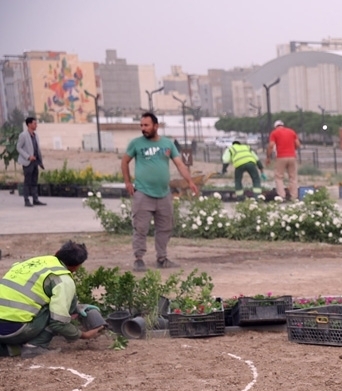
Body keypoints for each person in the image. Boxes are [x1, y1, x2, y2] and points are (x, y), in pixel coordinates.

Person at [0, 241, 106, 358]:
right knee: (56, 314)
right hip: (16, 330)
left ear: (57, 253)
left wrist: (76, 307)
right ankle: (34, 347)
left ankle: (10, 349)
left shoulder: (37, 261)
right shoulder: (63, 280)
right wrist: (84, 335)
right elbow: (58, 323)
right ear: (76, 267)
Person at [121, 112, 198, 272]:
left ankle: (162, 258)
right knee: (140, 227)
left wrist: (190, 181)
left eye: (146, 125)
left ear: (156, 126)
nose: (143, 128)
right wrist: (127, 182)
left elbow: (180, 164)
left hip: (164, 194)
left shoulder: (167, 144)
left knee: (165, 227)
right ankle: (139, 259)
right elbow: (125, 161)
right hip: (143, 193)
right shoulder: (136, 143)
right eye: (141, 125)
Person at [267, 120, 301, 201]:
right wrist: (292, 149)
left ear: (275, 126)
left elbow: (271, 145)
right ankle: (294, 197)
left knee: (279, 177)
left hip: (281, 157)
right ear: (283, 125)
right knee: (293, 177)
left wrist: (268, 157)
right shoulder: (291, 131)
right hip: (292, 156)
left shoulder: (274, 133)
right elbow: (298, 144)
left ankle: (282, 196)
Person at [17, 116, 46, 207]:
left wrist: (40, 161)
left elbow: (37, 149)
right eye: (34, 123)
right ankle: (26, 200)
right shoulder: (23, 135)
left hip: (35, 162)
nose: (36, 125)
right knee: (27, 181)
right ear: (29, 124)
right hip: (28, 162)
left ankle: (35, 199)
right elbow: (18, 148)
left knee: (34, 181)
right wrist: (28, 156)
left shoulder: (35, 135)